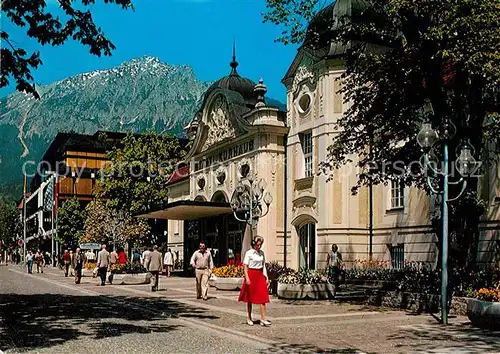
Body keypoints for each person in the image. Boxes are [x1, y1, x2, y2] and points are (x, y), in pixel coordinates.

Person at [238, 236, 271, 326]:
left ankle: (263, 318)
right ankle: (249, 317)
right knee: (250, 298)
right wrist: (247, 278)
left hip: (260, 275)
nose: (259, 247)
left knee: (263, 297)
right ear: (254, 244)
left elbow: (263, 265)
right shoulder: (249, 253)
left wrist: (266, 277)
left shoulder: (262, 253)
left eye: (260, 245)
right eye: (257, 245)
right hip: (251, 274)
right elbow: (245, 266)